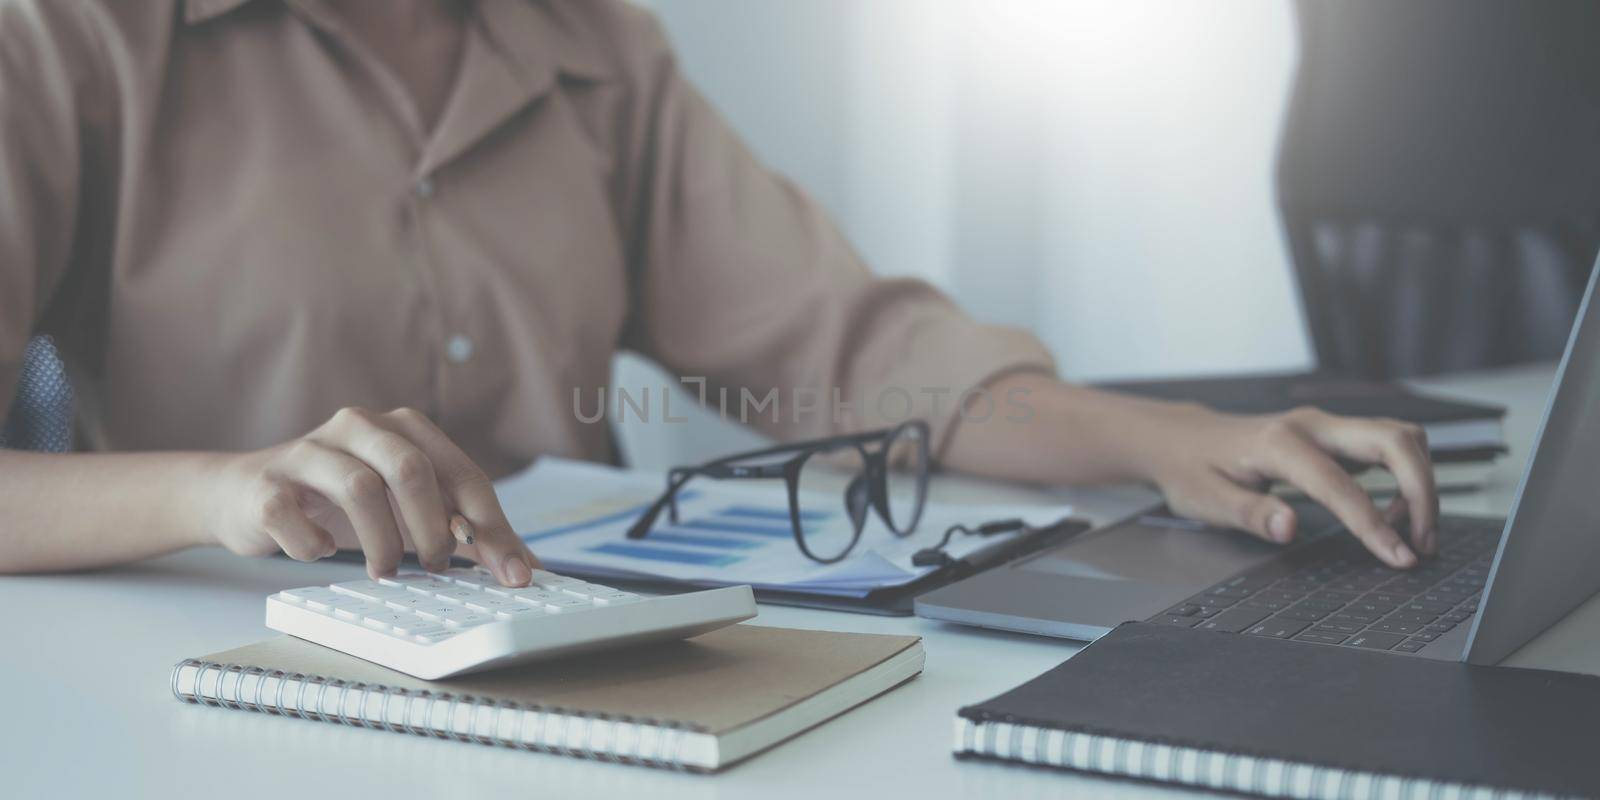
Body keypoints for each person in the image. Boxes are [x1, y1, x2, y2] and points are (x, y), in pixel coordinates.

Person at [0, 0, 1437, 588]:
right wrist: (216, 489)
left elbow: (843, 346)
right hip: (207, 692)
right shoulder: (74, 35)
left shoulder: (593, 40)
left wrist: (1154, 438)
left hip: (565, 659)